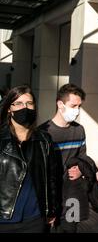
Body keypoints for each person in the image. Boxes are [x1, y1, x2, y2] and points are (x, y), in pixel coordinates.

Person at [39, 83, 98, 233]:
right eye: (73, 106)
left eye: (79, 106)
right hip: (51, 196)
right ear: (60, 104)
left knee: (70, 230)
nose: (77, 111)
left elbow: (83, 157)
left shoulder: (79, 130)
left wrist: (81, 170)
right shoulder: (43, 133)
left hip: (73, 196)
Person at [0, 85, 59, 233]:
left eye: (29, 103)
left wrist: (51, 209)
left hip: (34, 218)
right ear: (9, 108)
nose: (24, 108)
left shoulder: (44, 140)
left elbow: (52, 178)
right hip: (4, 219)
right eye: (18, 103)